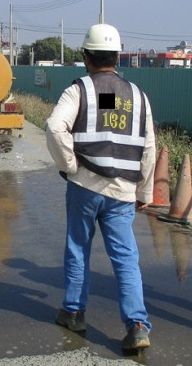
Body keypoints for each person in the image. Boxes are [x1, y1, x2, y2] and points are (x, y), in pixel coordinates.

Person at [45, 23, 156, 351]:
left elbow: (54, 127)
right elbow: (148, 147)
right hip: (123, 190)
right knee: (125, 257)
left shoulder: (80, 90)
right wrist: (145, 192)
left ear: (85, 56)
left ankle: (74, 313)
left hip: (85, 186)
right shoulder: (137, 95)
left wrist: (70, 166)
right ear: (118, 55)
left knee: (79, 247)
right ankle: (137, 325)